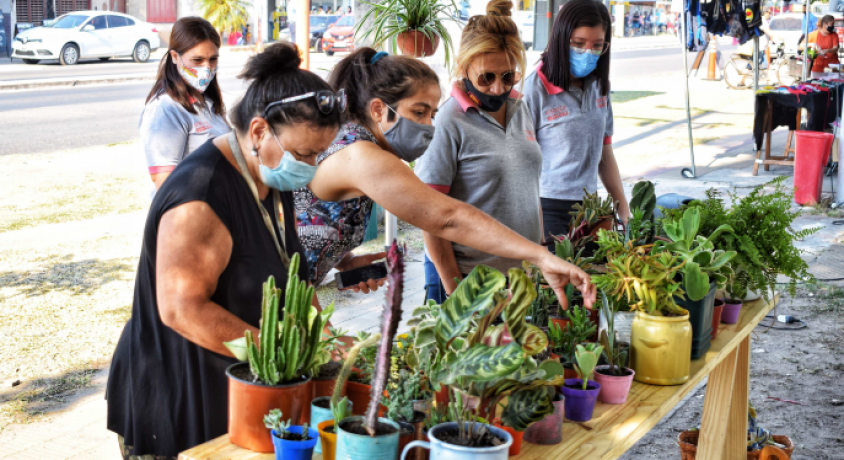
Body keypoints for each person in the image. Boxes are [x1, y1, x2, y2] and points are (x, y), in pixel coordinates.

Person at [107, 44, 344, 459]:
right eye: (305, 154)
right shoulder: (200, 196)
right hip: (176, 393)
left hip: (233, 387)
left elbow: (294, 284)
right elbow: (182, 310)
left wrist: (324, 340)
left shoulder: (270, 175)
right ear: (258, 132)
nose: (312, 165)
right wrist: (281, 354)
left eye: (319, 154)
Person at [298, 46, 596, 304]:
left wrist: (343, 261)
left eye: (432, 114)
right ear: (379, 109)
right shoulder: (361, 154)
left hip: (289, 285)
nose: (429, 126)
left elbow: (308, 221)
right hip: (272, 288)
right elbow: (447, 217)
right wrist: (542, 256)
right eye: (418, 112)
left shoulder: (355, 146)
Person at [414, 0, 542, 303]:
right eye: (487, 77)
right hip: (470, 282)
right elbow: (429, 214)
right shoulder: (448, 121)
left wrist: (541, 253)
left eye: (508, 76)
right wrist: (456, 290)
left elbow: (530, 188)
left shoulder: (520, 108)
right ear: (464, 67)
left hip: (519, 281)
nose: (498, 89)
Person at [523, 0, 629, 250]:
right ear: (561, 39)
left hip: (589, 208)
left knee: (594, 282)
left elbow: (604, 155)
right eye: (578, 44)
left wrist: (622, 207)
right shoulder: (535, 88)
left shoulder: (600, 86)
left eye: (597, 46)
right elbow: (522, 163)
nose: (587, 52)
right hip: (546, 206)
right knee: (557, 285)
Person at [141, 17, 230, 191]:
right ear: (175, 57)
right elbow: (165, 184)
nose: (207, 68)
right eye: (197, 60)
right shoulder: (165, 108)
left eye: (213, 59)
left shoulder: (208, 101)